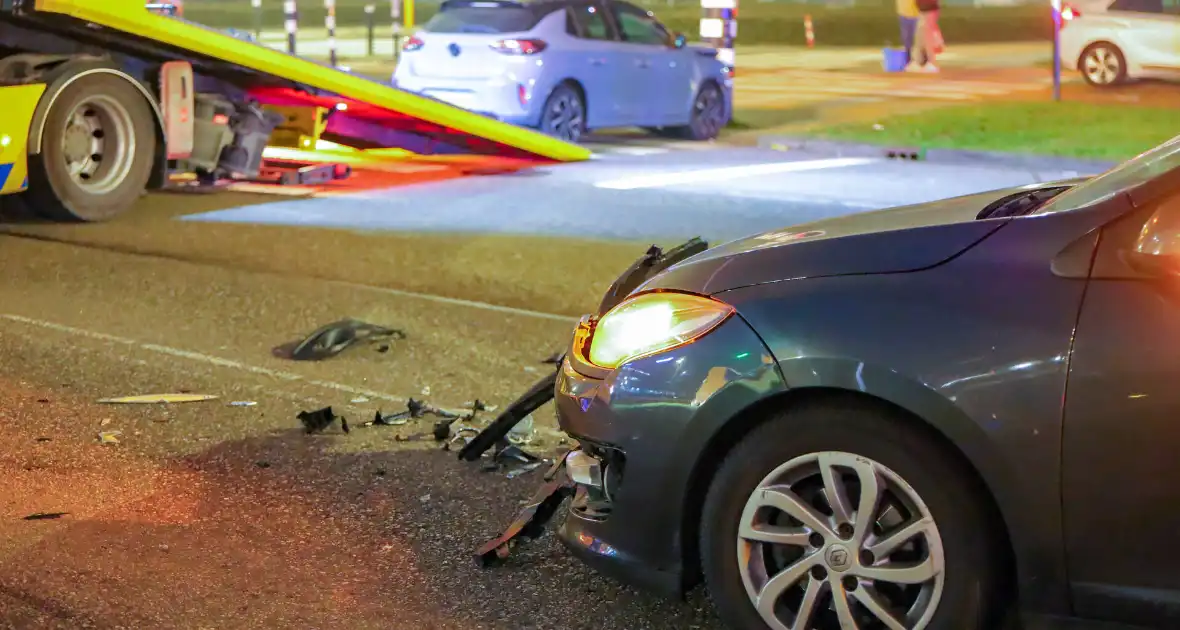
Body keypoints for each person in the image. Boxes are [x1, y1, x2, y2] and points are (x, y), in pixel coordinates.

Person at [911, 0, 944, 72]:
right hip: (922, 9)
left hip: (930, 9)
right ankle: (917, 61)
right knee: (919, 34)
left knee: (928, 36)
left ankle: (932, 63)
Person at [896, 0, 920, 69]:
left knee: (919, 40)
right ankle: (908, 61)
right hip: (904, 14)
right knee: (906, 39)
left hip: (916, 14)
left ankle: (921, 61)